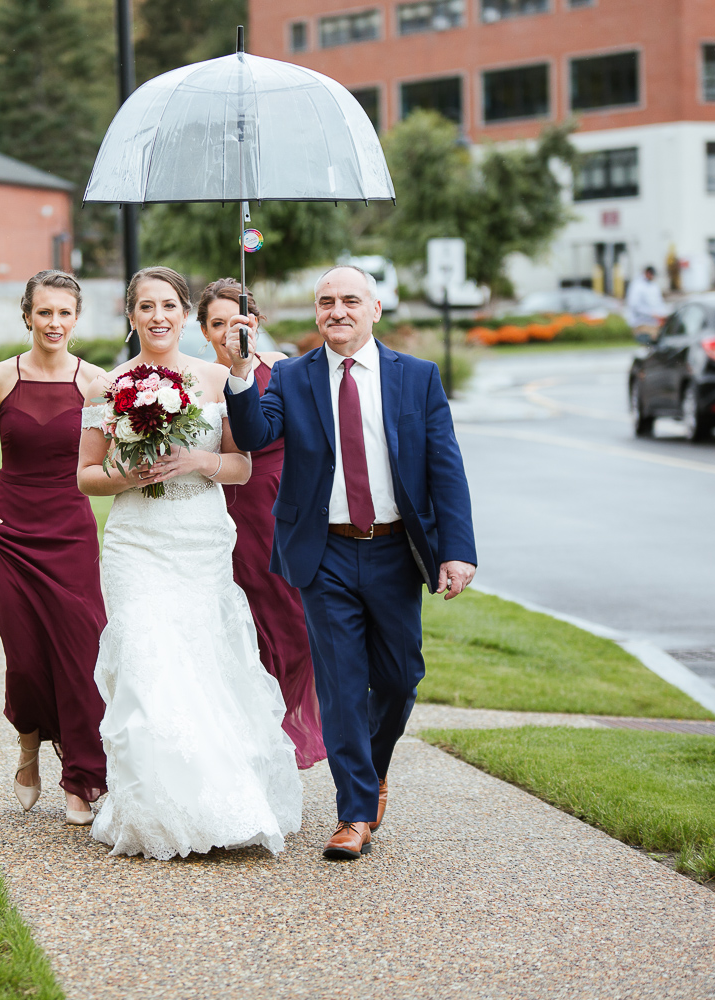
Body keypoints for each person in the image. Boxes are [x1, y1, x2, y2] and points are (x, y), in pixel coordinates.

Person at [224, 264, 477, 862]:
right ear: (315, 313)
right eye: (326, 302)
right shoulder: (290, 375)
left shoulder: (417, 378)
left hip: (394, 550)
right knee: (339, 685)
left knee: (397, 678)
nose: (337, 311)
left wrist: (458, 550)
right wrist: (240, 372)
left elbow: (446, 466)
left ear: (375, 309)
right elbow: (256, 436)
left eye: (350, 301)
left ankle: (372, 765)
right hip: (324, 550)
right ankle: (354, 813)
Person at [77, 266, 301, 860]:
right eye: (145, 307)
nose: (158, 317)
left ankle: (219, 798)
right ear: (130, 316)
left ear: (184, 315)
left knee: (204, 660)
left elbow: (242, 467)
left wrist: (193, 463)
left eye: (169, 306)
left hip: (199, 536)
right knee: (147, 653)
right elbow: (86, 476)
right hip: (136, 542)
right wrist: (131, 473)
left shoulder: (215, 378)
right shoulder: (107, 386)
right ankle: (153, 807)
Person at [0, 270, 109, 826]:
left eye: (64, 313)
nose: (54, 323)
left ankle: (79, 776)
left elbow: (111, 460)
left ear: (77, 318)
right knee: (24, 659)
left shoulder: (96, 383)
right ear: (27, 316)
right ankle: (28, 744)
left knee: (79, 653)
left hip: (70, 530)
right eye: (44, 312)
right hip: (10, 529)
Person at [199, 279, 326, 769]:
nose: (228, 330)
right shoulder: (200, 379)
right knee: (240, 619)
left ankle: (292, 719)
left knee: (291, 619)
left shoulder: (286, 370)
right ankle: (250, 725)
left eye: (237, 320)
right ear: (205, 331)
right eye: (216, 323)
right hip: (220, 505)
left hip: (277, 502)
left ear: (255, 321)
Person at [625, 265, 668, 333]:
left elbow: (658, 303)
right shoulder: (637, 286)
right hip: (641, 323)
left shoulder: (654, 286)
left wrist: (663, 314)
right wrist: (652, 314)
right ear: (647, 273)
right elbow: (635, 306)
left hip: (654, 323)